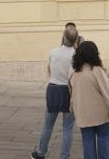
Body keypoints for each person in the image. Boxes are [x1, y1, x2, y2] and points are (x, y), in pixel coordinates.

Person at [30, 25, 79, 159]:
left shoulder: (54, 52)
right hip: (68, 91)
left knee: (48, 124)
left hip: (53, 88)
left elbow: (49, 69)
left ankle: (41, 152)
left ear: (63, 37)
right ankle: (64, 156)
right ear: (76, 40)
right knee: (68, 127)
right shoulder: (76, 55)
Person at [69, 41, 109, 159]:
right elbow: (107, 92)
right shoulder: (96, 70)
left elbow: (72, 94)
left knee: (87, 142)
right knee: (105, 140)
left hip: (83, 114)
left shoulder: (74, 73)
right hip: (101, 114)